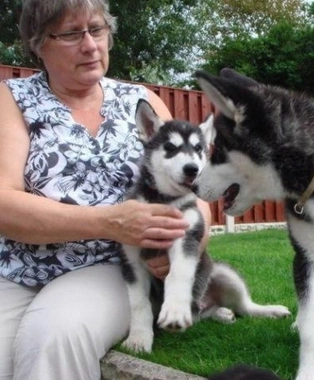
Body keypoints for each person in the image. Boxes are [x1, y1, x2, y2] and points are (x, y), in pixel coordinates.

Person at [0, 0, 212, 379]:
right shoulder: (10, 100)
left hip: (113, 265)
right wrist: (108, 220)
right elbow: (3, 204)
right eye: (70, 33)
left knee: (54, 337)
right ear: (38, 43)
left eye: (96, 30)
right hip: (15, 269)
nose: (90, 45)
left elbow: (193, 194)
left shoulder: (140, 102)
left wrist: (186, 248)